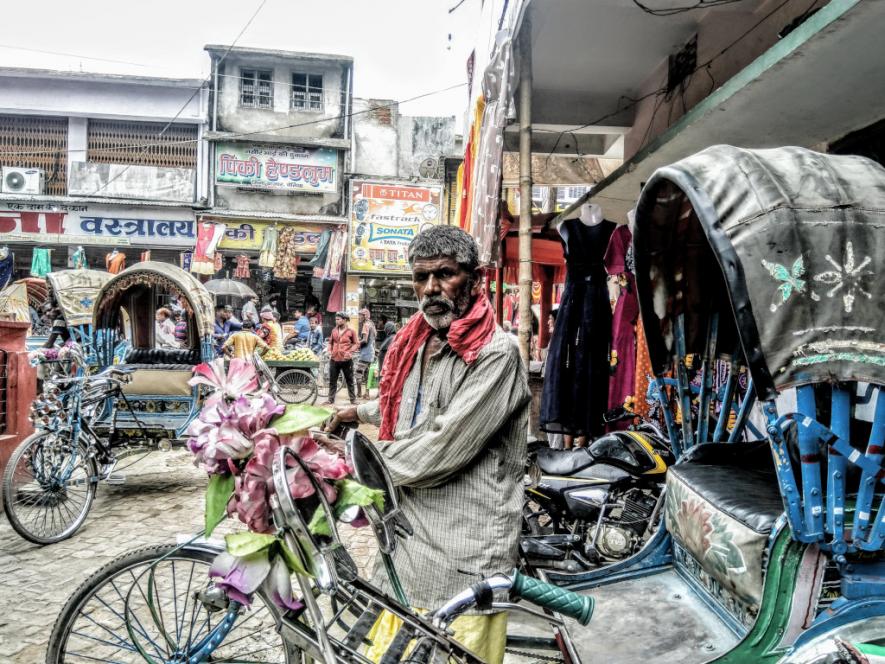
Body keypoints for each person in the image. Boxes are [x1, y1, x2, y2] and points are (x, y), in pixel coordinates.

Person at [320, 225, 530, 664]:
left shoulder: (497, 353)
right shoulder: (420, 340)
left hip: (462, 545)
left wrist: (355, 464)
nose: (431, 288)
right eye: (421, 277)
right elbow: (411, 402)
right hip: (409, 532)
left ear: (474, 280)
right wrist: (354, 412)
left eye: (445, 274)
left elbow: (443, 445)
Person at [325, 312, 358, 405]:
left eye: (338, 319)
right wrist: (329, 351)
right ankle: (330, 400)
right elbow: (330, 343)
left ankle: (353, 399)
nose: (336, 321)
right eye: (336, 319)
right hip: (334, 359)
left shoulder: (351, 331)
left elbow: (356, 343)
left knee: (349, 380)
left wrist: (350, 352)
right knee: (332, 381)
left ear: (344, 320)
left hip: (346, 360)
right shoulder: (334, 330)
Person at [354, 308, 376, 398]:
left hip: (365, 354)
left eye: (360, 315)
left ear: (365, 316)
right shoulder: (372, 324)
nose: (359, 317)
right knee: (367, 375)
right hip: (371, 353)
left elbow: (365, 340)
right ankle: (366, 394)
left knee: (358, 374)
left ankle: (359, 393)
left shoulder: (366, 325)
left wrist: (357, 343)